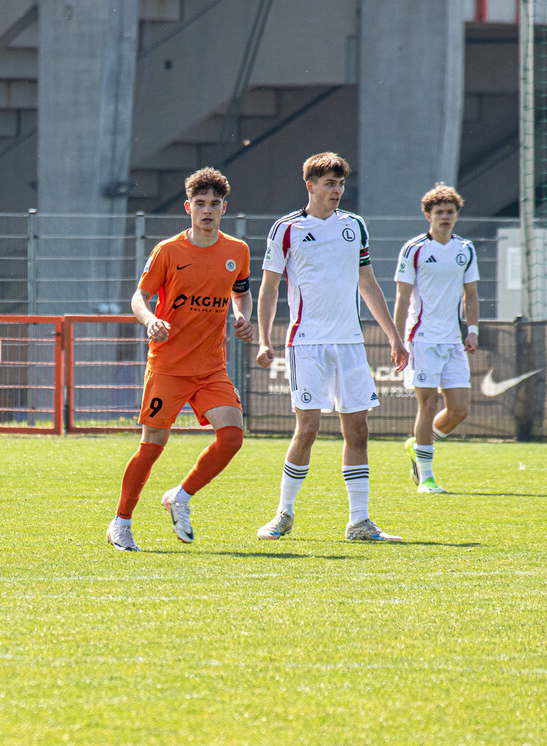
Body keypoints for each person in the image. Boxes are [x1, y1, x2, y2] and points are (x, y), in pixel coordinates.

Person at [254, 152, 408, 542]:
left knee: (358, 430)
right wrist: (264, 338)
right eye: (329, 184)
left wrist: (394, 336)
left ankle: (359, 522)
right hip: (306, 343)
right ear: (310, 186)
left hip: (350, 344)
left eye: (340, 184)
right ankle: (283, 514)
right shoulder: (286, 229)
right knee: (307, 428)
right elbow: (269, 288)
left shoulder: (354, 226)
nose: (336, 190)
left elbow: (367, 283)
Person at [107, 167, 253, 551]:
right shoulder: (168, 251)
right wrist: (150, 319)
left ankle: (180, 496)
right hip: (169, 366)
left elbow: (241, 292)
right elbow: (139, 296)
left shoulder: (237, 251)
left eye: (214, 204)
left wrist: (242, 316)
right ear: (188, 207)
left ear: (224, 208)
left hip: (211, 367)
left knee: (232, 437)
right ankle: (121, 523)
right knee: (153, 445)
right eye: (200, 203)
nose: (207, 210)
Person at [393, 184, 479, 493]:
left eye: (450, 212)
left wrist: (472, 330)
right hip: (422, 340)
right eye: (439, 212)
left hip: (453, 341)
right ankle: (426, 477)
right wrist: (397, 340)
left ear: (457, 215)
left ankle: (417, 446)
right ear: (428, 215)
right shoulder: (414, 249)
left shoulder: (465, 249)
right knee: (427, 404)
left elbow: (471, 295)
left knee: (459, 410)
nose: (445, 216)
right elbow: (402, 298)